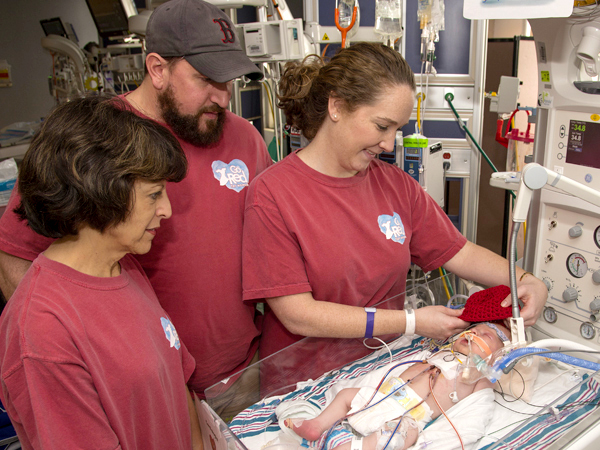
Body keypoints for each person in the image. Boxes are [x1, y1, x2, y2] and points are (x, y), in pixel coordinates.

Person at [0, 0, 272, 414]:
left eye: (229, 80)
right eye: (204, 79)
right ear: (158, 68)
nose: (221, 96)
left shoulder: (243, 138)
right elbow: (15, 257)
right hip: (140, 390)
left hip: (239, 373)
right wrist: (91, 363)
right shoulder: (92, 140)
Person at [242, 43, 547, 380]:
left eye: (397, 130)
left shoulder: (395, 186)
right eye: (381, 126)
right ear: (337, 107)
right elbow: (299, 314)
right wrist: (411, 321)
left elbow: (459, 251)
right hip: (305, 384)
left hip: (381, 370)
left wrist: (524, 279)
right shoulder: (273, 194)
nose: (389, 144)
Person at [0, 95, 200, 449]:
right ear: (102, 191)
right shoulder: (43, 328)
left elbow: (176, 386)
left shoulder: (125, 266)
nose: (166, 210)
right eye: (154, 195)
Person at [284, 321, 511, 450]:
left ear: (497, 358)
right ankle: (317, 424)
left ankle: (355, 447)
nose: (474, 334)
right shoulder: (441, 352)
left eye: (486, 336)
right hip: (384, 396)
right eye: (475, 329)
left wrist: (494, 371)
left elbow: (478, 410)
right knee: (346, 394)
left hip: (413, 415)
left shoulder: (479, 377)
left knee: (400, 434)